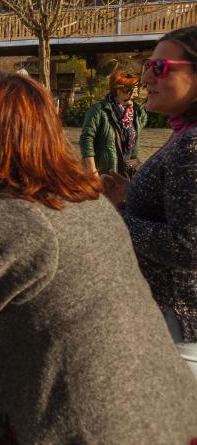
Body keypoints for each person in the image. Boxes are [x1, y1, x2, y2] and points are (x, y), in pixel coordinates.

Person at [0, 72, 197, 444]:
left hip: (86, 422)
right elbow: (21, 268)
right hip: (143, 406)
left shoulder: (5, 214)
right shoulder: (77, 195)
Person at [103, 25, 197, 379]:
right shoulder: (183, 134)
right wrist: (127, 197)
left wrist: (114, 219)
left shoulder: (192, 145)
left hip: (177, 324)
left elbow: (189, 246)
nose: (147, 78)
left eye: (161, 68)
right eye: (147, 66)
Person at [80, 71, 146, 176]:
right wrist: (93, 170)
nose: (136, 93)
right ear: (119, 91)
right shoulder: (99, 110)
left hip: (129, 169)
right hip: (106, 169)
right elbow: (86, 139)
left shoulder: (137, 111)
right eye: (133, 89)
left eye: (137, 88)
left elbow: (138, 131)